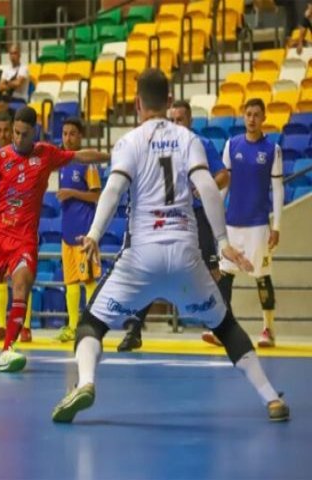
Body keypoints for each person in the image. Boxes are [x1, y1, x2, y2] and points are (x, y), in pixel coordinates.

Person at [51, 69, 289, 424]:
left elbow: (113, 191)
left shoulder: (128, 142)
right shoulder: (187, 138)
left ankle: (85, 383)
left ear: (137, 104)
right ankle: (270, 398)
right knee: (225, 326)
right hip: (185, 256)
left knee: (91, 324)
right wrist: (223, 242)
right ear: (169, 100)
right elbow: (208, 188)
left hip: (141, 257)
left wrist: (95, 235)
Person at [0, 106, 109, 372]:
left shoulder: (46, 153)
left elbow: (79, 155)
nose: (17, 138)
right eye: (15, 133)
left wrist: (111, 155)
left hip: (25, 237)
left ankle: (7, 349)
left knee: (21, 285)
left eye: (23, 134)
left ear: (34, 133)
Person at [118, 99, 231, 351]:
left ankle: (222, 328)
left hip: (198, 216)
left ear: (190, 120)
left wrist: (204, 188)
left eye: (181, 119)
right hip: (169, 216)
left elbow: (224, 175)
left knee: (213, 271)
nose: (177, 123)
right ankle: (135, 330)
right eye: (174, 119)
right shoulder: (162, 145)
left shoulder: (201, 143)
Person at [206, 98, 284, 348]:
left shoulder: (273, 150)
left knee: (262, 277)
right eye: (248, 114)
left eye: (256, 115)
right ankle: (223, 331)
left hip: (258, 226)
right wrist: (215, 218)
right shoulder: (232, 145)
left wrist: (277, 227)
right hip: (231, 225)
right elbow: (224, 184)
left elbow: (278, 190)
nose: (251, 118)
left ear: (263, 118)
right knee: (225, 277)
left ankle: (268, 330)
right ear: (243, 116)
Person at [0, 112, 33, 343]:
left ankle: (25, 327)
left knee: (19, 277)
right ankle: (1, 325)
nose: (2, 135)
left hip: (19, 226)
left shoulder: (24, 154)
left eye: (6, 130)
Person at [54, 117, 102, 343]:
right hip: (67, 232)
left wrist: (72, 193)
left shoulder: (87, 163)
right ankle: (73, 327)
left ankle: (91, 326)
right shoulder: (62, 163)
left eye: (72, 133)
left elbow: (96, 195)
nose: (67, 138)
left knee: (88, 280)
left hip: (84, 232)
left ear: (80, 136)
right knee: (71, 282)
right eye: (64, 133)